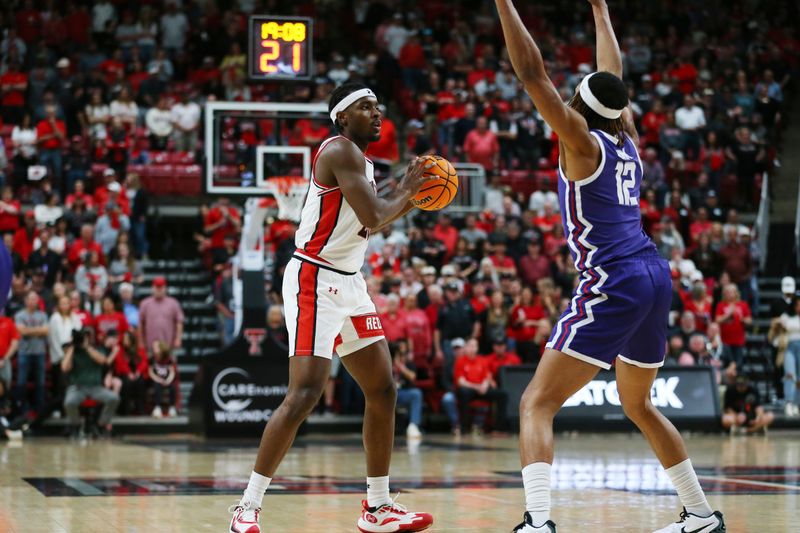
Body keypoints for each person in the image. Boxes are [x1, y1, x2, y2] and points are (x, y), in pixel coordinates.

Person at [495, 1, 725, 532]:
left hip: (614, 279)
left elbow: (531, 73)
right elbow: (613, 78)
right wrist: (601, 11)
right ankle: (700, 513)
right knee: (639, 405)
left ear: (578, 104)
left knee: (535, 403)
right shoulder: (627, 139)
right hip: (652, 273)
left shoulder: (579, 141)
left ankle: (539, 523)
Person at [229, 82, 433, 533]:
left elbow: (376, 215)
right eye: (365, 107)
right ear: (342, 117)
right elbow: (375, 217)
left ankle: (377, 507)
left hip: (349, 281)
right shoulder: (339, 151)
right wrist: (410, 189)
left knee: (383, 390)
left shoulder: (362, 160)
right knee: (304, 394)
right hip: (314, 279)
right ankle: (248, 505)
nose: (377, 113)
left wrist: (404, 194)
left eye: (379, 106)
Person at [61, 328, 120, 438]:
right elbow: (64, 368)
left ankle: (101, 424)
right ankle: (76, 425)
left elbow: (103, 361)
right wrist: (72, 347)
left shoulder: (97, 349)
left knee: (113, 398)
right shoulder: (72, 351)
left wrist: (87, 347)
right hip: (77, 388)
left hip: (95, 387)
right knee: (69, 402)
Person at [14, 291, 49, 415]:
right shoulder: (19, 315)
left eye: (35, 299)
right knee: (21, 381)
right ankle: (21, 409)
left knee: (40, 382)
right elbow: (21, 332)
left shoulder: (43, 315)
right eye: (31, 299)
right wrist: (37, 331)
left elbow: (46, 331)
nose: (33, 301)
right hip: (24, 352)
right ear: (26, 301)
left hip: (40, 352)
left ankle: (40, 409)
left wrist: (29, 330)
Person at [138, 276, 184, 354]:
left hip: (168, 343)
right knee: (150, 364)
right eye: (157, 287)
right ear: (152, 288)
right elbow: (140, 324)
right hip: (150, 344)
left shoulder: (173, 303)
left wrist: (178, 338)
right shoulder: (145, 303)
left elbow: (179, 322)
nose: (159, 290)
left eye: (161, 287)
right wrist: (141, 341)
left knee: (169, 364)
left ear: (165, 288)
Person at [391, 340, 423, 440]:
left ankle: (413, 426)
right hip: (388, 394)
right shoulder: (387, 362)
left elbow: (413, 377)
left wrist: (400, 366)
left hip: (402, 393)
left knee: (416, 394)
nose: (402, 353)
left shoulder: (408, 364)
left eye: (404, 352)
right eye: (400, 351)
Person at [149, 341, 177, 417]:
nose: (153, 348)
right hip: (156, 380)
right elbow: (150, 371)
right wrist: (158, 380)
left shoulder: (168, 359)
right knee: (156, 387)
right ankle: (157, 408)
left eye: (156, 347)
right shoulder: (152, 359)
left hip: (167, 379)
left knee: (172, 387)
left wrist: (168, 380)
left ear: (161, 348)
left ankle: (172, 408)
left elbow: (172, 371)